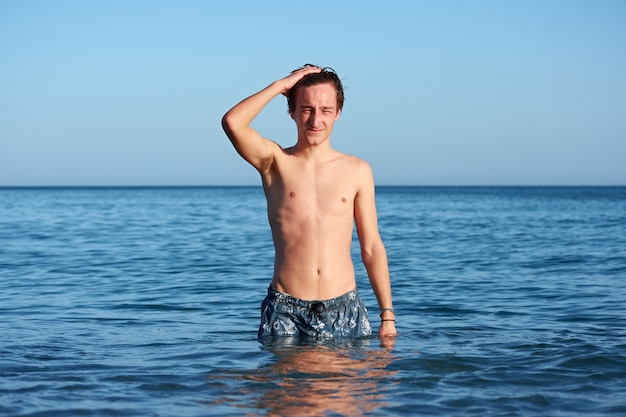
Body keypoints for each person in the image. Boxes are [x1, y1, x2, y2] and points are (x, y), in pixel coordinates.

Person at [221, 64, 396, 340]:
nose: (316, 121)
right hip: (285, 310)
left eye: (326, 110)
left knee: (347, 385)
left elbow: (372, 247)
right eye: (306, 109)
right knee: (286, 385)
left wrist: (387, 315)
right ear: (292, 111)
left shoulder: (357, 170)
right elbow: (233, 122)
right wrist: (282, 85)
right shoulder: (275, 162)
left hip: (344, 307)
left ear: (338, 113)